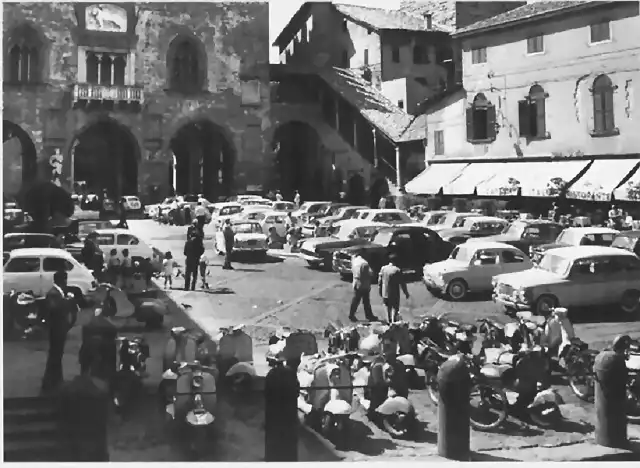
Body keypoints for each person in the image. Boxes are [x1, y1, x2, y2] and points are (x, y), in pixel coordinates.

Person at [42, 271, 77, 393]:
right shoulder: (53, 293)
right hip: (56, 329)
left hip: (60, 328)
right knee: (55, 354)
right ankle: (50, 382)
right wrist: (68, 301)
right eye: (64, 280)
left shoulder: (58, 293)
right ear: (60, 281)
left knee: (57, 354)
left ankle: (56, 379)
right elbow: (54, 308)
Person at [378, 255, 410, 323]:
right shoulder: (397, 270)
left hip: (385, 292)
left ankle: (388, 321)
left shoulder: (383, 268)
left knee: (387, 307)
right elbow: (402, 283)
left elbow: (380, 281)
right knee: (395, 308)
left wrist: (380, 290)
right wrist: (406, 293)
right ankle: (394, 322)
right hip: (394, 293)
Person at [349, 250, 378, 322]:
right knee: (366, 301)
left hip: (355, 282)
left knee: (355, 300)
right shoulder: (364, 263)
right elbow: (367, 274)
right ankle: (369, 316)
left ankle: (351, 314)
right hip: (363, 284)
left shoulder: (354, 261)